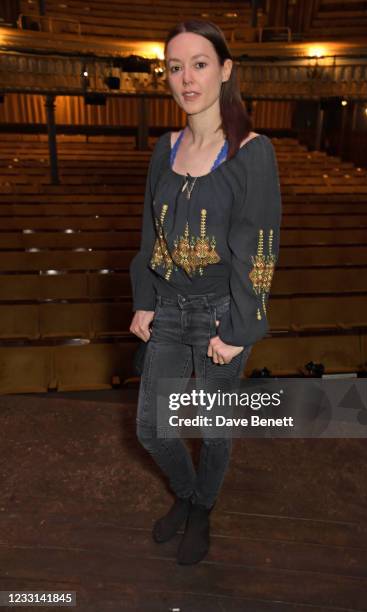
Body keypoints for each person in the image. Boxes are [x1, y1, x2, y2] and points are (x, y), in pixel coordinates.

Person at [129, 19, 282, 565]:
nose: (186, 77)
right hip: (168, 309)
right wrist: (144, 297)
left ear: (225, 70)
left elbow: (259, 248)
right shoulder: (165, 147)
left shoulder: (251, 152)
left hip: (222, 315)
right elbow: (151, 229)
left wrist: (239, 330)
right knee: (152, 428)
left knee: (214, 432)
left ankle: (202, 508)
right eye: (175, 67)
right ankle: (190, 495)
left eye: (199, 64)